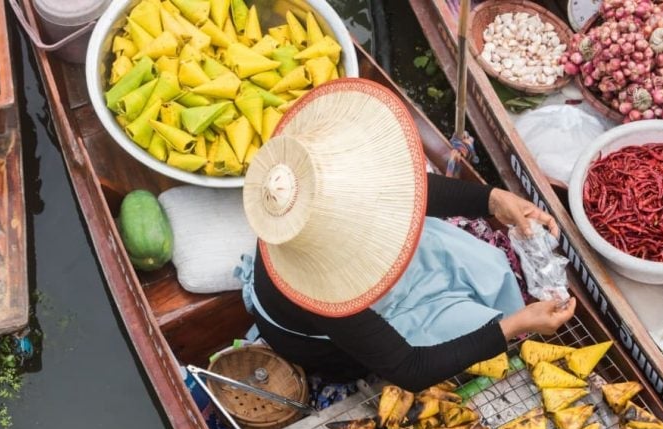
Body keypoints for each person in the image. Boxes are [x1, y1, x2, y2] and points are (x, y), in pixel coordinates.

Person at [239, 78, 576, 392]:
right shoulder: (323, 289)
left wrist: (492, 200)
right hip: (338, 346)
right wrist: (514, 326)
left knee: (484, 262)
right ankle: (511, 322)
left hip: (353, 276)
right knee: (472, 324)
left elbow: (407, 191)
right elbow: (410, 368)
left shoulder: (334, 184)